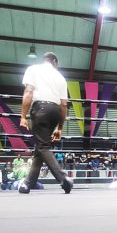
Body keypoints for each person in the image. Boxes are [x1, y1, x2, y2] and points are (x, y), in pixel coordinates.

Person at [19, 51, 73, 194]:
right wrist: (60, 127)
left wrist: (23, 116)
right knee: (40, 148)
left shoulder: (33, 69)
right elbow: (63, 105)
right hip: (55, 112)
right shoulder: (61, 77)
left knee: (43, 146)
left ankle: (63, 179)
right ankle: (27, 184)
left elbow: (28, 91)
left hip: (41, 109)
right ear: (54, 62)